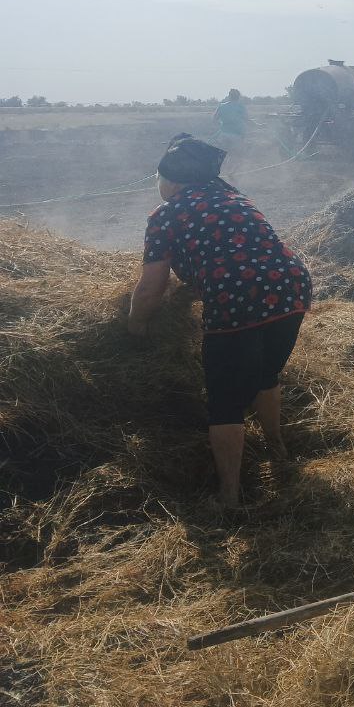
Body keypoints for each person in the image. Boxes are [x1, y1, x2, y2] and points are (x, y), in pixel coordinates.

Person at [128, 134, 312, 510]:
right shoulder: (234, 198)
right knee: (265, 375)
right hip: (290, 287)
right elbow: (231, 252)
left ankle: (229, 497)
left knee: (225, 402)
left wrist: (135, 324)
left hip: (238, 299)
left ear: (173, 179)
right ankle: (278, 450)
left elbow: (151, 286)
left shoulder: (167, 214)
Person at [212, 89, 249, 154]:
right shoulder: (241, 107)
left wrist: (222, 125)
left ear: (229, 96)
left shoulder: (222, 106)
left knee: (223, 155)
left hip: (224, 135)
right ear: (238, 97)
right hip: (237, 136)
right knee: (237, 155)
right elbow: (247, 120)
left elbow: (214, 119)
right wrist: (259, 125)